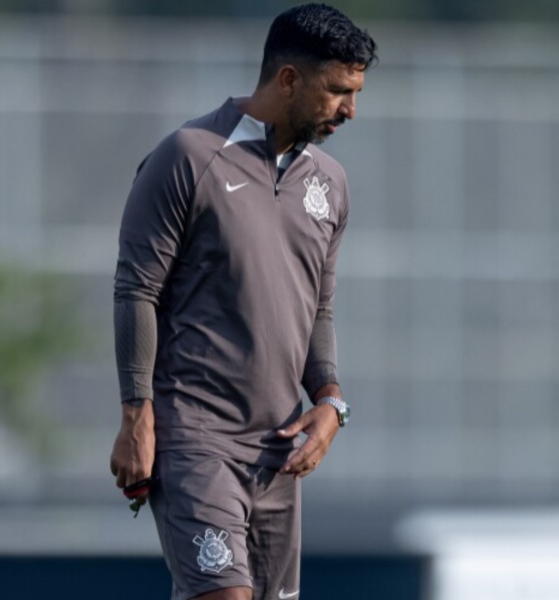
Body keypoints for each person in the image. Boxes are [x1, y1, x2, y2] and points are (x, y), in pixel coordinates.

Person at [109, 4, 375, 599]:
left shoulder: (329, 184)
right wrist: (136, 415)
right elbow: (137, 288)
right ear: (288, 79)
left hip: (280, 453)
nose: (350, 111)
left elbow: (319, 308)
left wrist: (331, 400)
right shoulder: (188, 156)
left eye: (355, 94)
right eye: (337, 91)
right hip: (196, 437)